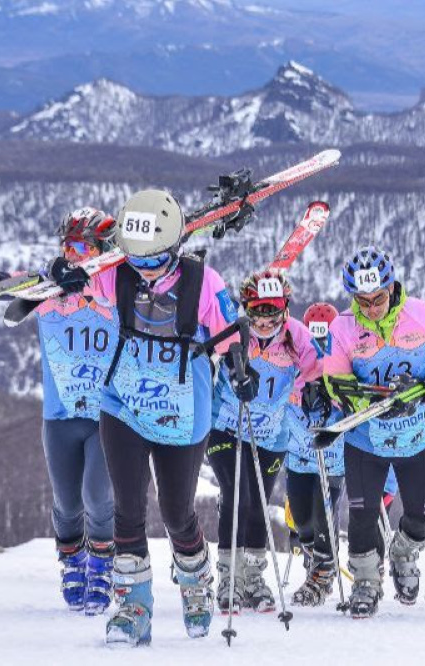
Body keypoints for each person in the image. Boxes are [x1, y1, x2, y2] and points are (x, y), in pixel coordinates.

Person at [49, 189, 249, 647]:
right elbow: (77, 278)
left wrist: (238, 363)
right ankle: (133, 605)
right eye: (136, 258)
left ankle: (196, 583)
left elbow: (228, 332)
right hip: (124, 405)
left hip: (183, 411)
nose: (145, 269)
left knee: (178, 513)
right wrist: (64, 276)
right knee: (127, 509)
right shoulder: (115, 274)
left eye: (155, 259)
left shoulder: (202, 282)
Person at [0, 207, 117, 615]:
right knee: (68, 502)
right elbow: (7, 282)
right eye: (68, 246)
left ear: (104, 249)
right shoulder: (51, 286)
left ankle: (102, 565)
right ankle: (73, 563)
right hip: (61, 415)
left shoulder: (120, 288)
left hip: (108, 414)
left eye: (83, 247)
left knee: (98, 495)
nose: (74, 256)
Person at [316, 245, 425, 619]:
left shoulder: (421, 314)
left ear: (392, 287)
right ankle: (366, 581)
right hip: (365, 440)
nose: (372, 308)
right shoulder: (343, 329)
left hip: (415, 437)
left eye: (379, 299)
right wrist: (365, 401)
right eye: (363, 301)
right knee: (362, 514)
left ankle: (404, 551)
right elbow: (335, 379)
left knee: (423, 513)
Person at [208, 270, 321, 614]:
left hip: (272, 434)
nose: (266, 321)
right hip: (227, 426)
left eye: (273, 312)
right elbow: (214, 351)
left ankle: (254, 578)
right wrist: (234, 367)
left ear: (285, 309)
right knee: (235, 496)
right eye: (258, 311)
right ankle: (229, 577)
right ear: (246, 309)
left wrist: (317, 393)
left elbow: (316, 369)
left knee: (257, 502)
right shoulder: (237, 330)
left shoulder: (296, 335)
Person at [284, 302, 346, 607]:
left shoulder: (339, 355)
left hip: (331, 456)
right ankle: (311, 555)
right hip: (298, 453)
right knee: (301, 519)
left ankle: (323, 572)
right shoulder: (297, 356)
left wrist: (332, 399)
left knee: (324, 516)